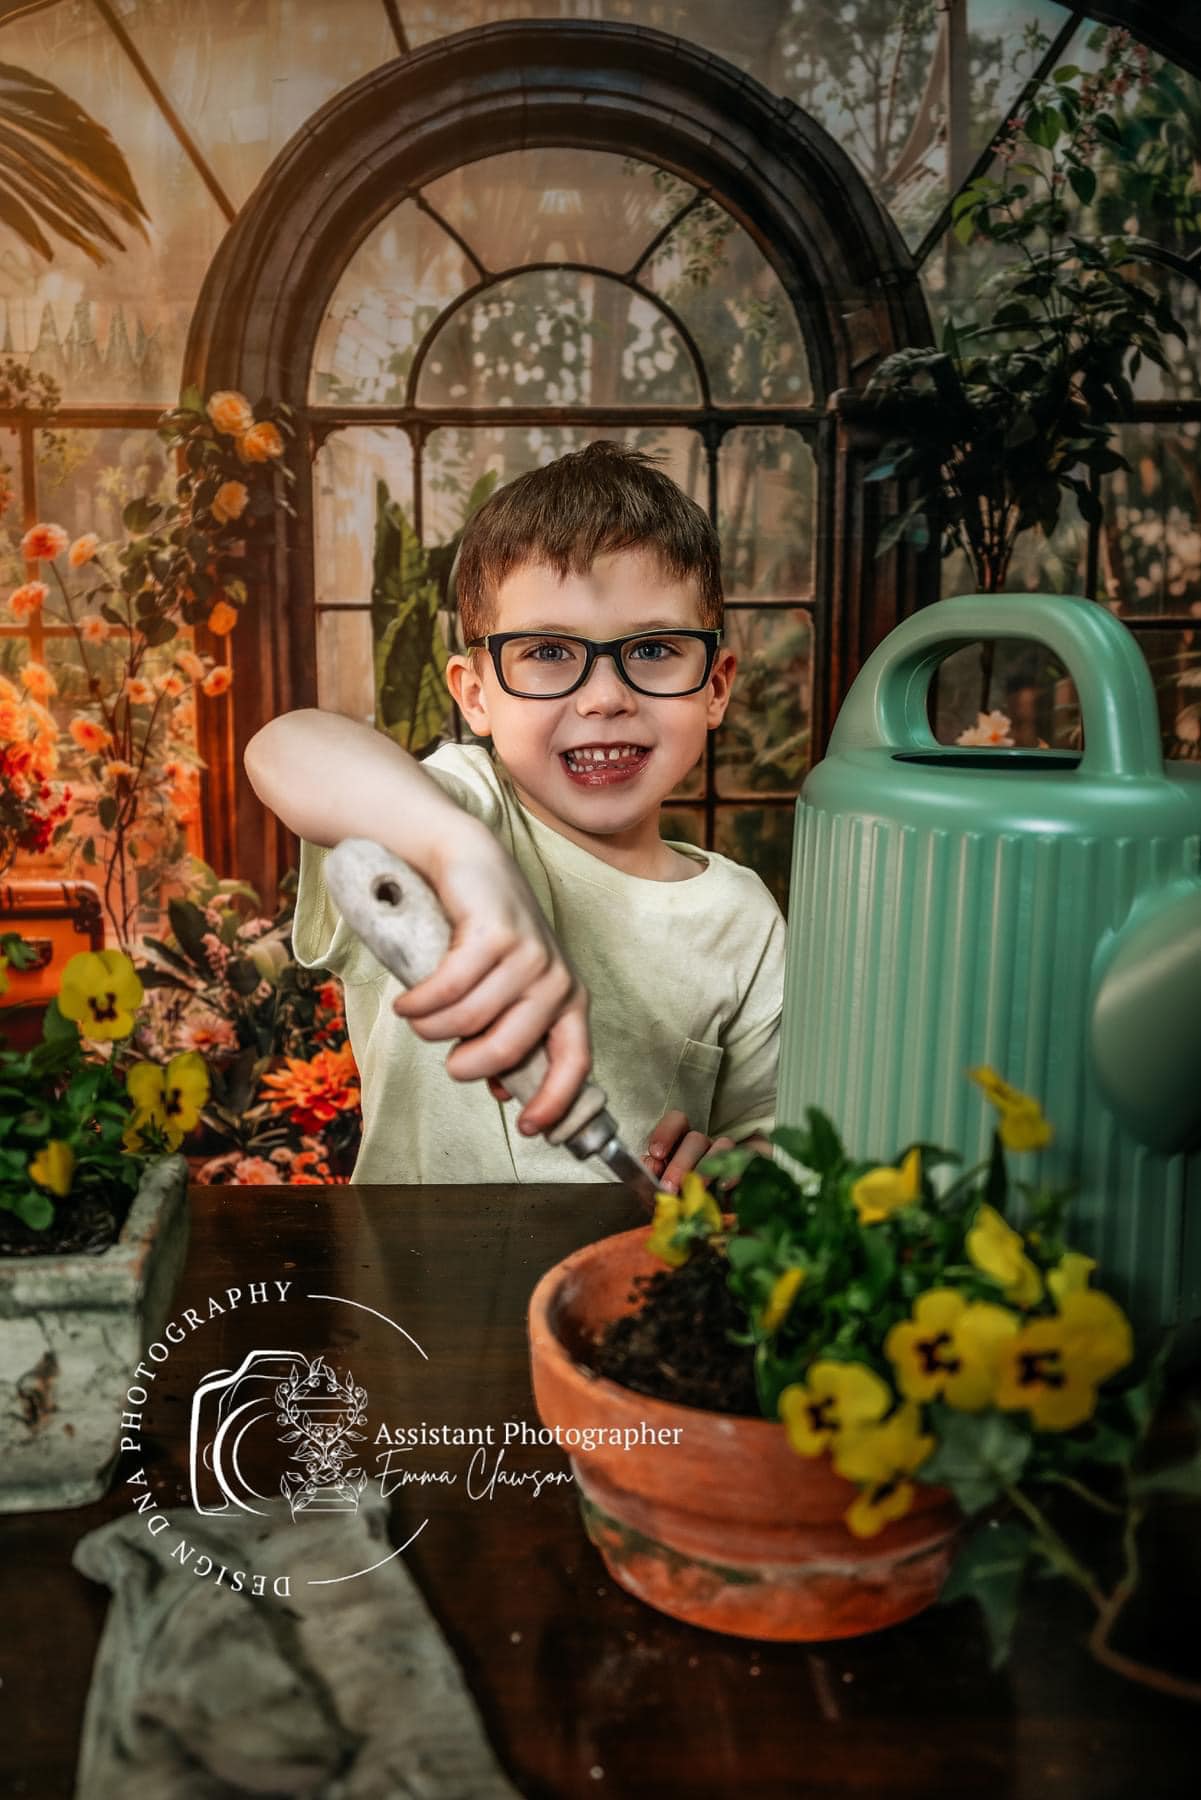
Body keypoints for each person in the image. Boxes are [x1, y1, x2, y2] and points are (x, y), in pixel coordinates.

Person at [244, 441, 786, 1190]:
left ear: (714, 686)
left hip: (627, 1295)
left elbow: (767, 1141)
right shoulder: (452, 807)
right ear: (474, 696)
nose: (604, 698)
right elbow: (284, 746)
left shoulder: (742, 919)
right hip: (412, 1295)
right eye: (548, 653)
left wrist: (735, 1166)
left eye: (655, 647)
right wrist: (460, 854)